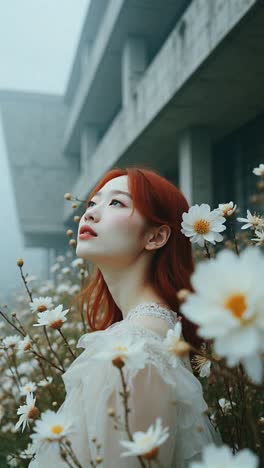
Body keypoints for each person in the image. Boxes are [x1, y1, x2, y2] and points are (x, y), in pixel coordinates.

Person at [29, 166, 221, 467]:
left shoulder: (135, 350)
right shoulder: (153, 335)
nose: (89, 214)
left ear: (156, 237)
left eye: (116, 202)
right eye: (92, 203)